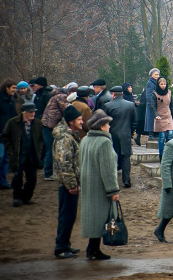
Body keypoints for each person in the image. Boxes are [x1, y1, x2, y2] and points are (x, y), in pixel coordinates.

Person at [80, 109, 120, 260]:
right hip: (101, 187)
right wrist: (113, 190)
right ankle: (93, 250)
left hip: (88, 185)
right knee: (101, 218)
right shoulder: (104, 142)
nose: (109, 126)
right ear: (102, 126)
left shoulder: (85, 140)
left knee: (93, 218)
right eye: (108, 124)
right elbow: (108, 169)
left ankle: (92, 248)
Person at [53, 106, 84, 259]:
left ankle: (65, 244)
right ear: (71, 122)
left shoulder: (70, 135)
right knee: (66, 215)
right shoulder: (65, 138)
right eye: (79, 120)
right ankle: (61, 247)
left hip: (71, 183)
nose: (82, 122)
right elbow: (64, 163)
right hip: (68, 185)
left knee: (70, 215)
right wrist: (72, 184)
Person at [2, 102, 44, 206]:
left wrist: (39, 151)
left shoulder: (38, 123)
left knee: (32, 178)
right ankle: (17, 197)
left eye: (34, 112)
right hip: (18, 155)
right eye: (30, 112)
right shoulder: (13, 122)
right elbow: (5, 137)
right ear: (23, 113)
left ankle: (26, 197)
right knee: (17, 178)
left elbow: (41, 139)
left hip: (32, 155)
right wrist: (11, 151)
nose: (33, 114)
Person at [104, 86, 138, 188]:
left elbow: (105, 121)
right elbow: (134, 122)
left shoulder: (107, 106)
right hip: (126, 134)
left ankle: (113, 181)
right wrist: (130, 132)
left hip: (112, 134)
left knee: (113, 158)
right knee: (126, 157)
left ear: (113, 94)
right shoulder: (131, 105)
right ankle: (126, 180)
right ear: (122, 93)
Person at [41, 87, 70, 181]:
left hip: (47, 124)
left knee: (50, 148)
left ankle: (49, 172)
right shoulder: (61, 96)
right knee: (51, 149)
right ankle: (48, 173)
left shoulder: (54, 96)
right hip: (50, 125)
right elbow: (66, 110)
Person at [150, 77, 173, 161]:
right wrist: (156, 115)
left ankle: (168, 154)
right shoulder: (155, 94)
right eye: (161, 84)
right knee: (161, 136)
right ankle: (161, 155)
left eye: (164, 84)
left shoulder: (169, 92)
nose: (163, 86)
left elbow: (171, 106)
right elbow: (153, 106)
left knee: (170, 134)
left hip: (168, 116)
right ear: (158, 84)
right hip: (160, 117)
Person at [144, 68, 160, 139]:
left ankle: (155, 133)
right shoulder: (150, 83)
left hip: (156, 103)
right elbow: (149, 94)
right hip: (151, 103)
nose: (157, 76)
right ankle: (151, 134)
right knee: (151, 119)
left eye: (158, 74)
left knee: (155, 119)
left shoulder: (157, 82)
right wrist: (152, 103)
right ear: (151, 75)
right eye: (155, 74)